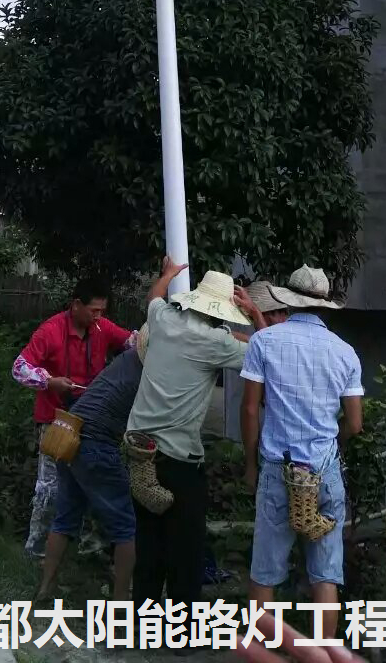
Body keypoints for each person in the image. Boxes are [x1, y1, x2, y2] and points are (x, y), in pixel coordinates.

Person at [127, 260, 264, 614]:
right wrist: (256, 315)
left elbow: (153, 296)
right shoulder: (216, 342)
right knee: (185, 549)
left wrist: (169, 273)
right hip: (178, 459)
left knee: (149, 543)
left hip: (140, 450)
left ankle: (143, 627)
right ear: (223, 311)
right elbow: (267, 352)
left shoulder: (164, 320)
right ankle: (183, 633)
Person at [241, 266, 363, 632]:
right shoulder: (345, 352)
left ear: (286, 300)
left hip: (279, 469)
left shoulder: (264, 342)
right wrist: (331, 447)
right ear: (325, 304)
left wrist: (250, 463)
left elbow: (249, 409)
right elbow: (355, 424)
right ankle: (322, 654)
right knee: (325, 575)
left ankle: (262, 654)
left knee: (265, 573)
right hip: (324, 472)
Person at [12, 278, 134, 558]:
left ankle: (90, 545)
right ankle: (37, 549)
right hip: (57, 421)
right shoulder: (51, 331)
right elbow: (19, 368)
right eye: (94, 310)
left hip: (94, 423)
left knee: (97, 483)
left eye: (102, 311)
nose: (98, 317)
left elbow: (132, 343)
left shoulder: (102, 328)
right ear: (76, 305)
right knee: (50, 488)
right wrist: (49, 381)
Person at [38, 325, 151, 600]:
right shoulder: (150, 378)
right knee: (126, 526)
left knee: (65, 518)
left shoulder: (125, 359)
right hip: (96, 445)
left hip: (69, 434)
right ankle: (122, 600)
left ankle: (45, 588)